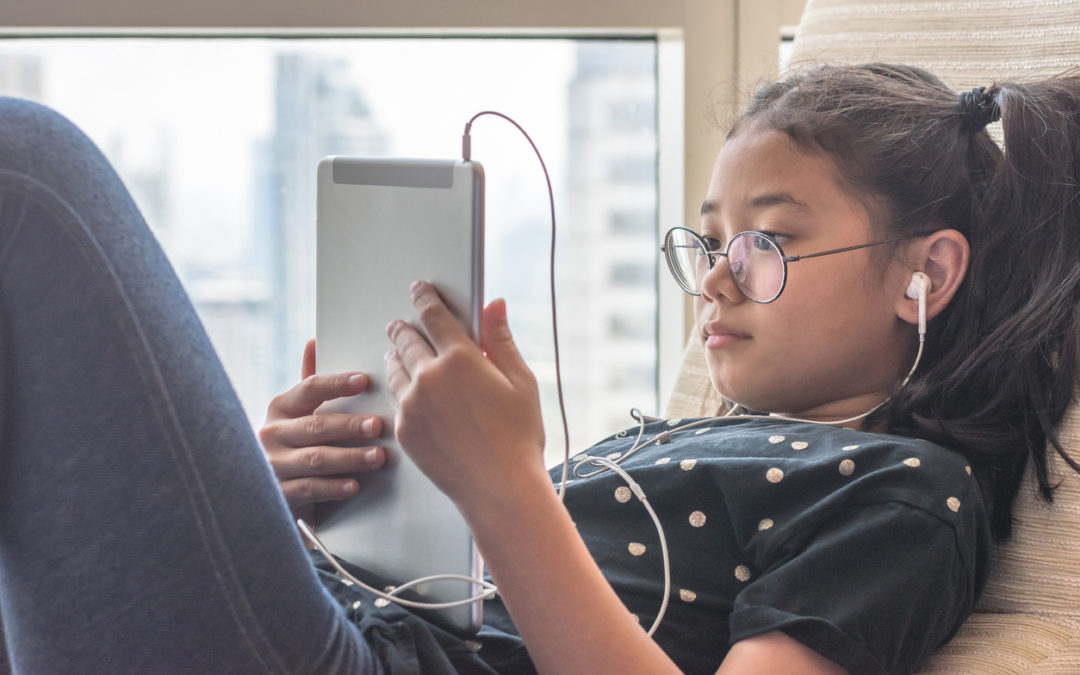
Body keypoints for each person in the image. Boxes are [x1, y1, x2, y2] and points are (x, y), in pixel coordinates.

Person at [1, 62, 1078, 674]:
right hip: (338, 621)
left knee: (29, 174)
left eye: (767, 242)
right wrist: (295, 500)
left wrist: (505, 486)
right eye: (709, 241)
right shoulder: (676, 437)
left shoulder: (903, 496)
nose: (714, 279)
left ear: (923, 274)